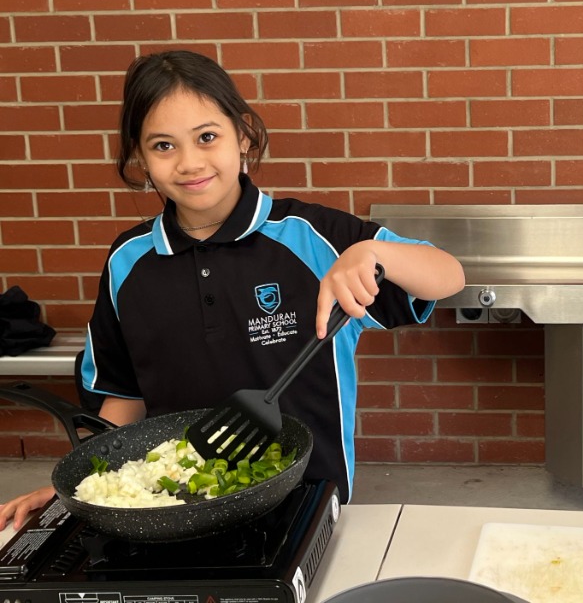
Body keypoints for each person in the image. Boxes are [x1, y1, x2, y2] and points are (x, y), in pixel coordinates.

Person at [0, 49, 465, 531]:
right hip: (169, 511)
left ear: (243, 135)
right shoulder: (128, 261)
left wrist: (374, 253)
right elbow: (123, 397)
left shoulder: (312, 236)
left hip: (309, 506)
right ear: (138, 155)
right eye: (163, 146)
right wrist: (78, 487)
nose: (189, 163)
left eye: (207, 137)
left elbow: (449, 273)